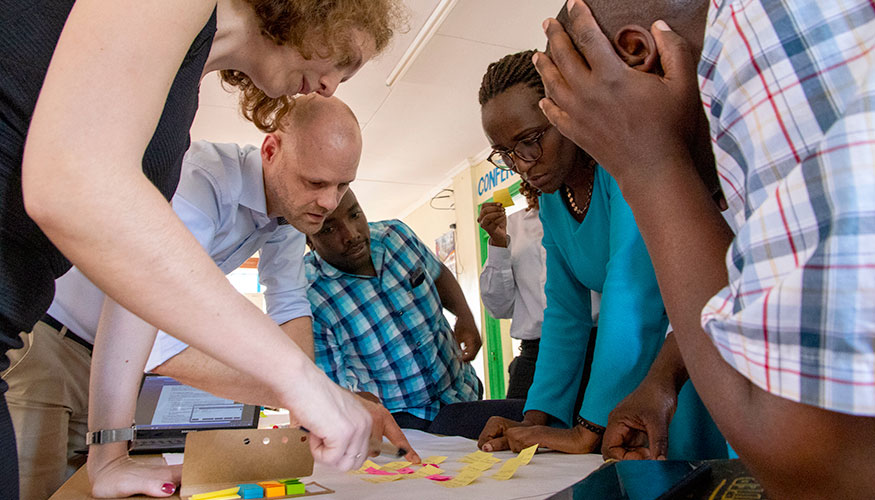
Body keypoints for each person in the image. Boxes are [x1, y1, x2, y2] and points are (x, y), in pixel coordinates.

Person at [1, 0, 401, 497]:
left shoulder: (179, 95)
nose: (331, 85)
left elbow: (136, 292)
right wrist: (299, 382)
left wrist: (109, 457)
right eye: (341, 59)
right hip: (42, 339)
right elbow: (71, 184)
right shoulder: (203, 171)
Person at [535, 0, 875, 497]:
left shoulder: (760, 30)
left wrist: (647, 164)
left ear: (636, 55)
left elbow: (828, 466)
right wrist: (662, 379)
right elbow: (750, 290)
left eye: (597, 140)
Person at [475, 50, 726, 461]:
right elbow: (564, 313)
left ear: (566, 112)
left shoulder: (619, 170)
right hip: (641, 377)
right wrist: (535, 419)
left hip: (689, 364)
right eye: (505, 152)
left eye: (531, 141)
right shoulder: (553, 201)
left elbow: (632, 291)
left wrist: (588, 429)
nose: (521, 165)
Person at [305, 189, 485, 432]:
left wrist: (464, 315)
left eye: (355, 215)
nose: (351, 234)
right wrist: (353, 404)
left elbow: (437, 273)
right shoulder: (310, 296)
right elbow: (329, 388)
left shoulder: (396, 236)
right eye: (329, 229)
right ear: (309, 240)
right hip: (403, 422)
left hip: (462, 391)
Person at [478, 181, 546, 400]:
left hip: (597, 345)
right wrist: (498, 242)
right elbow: (499, 308)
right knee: (521, 429)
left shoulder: (597, 213)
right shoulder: (515, 227)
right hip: (535, 355)